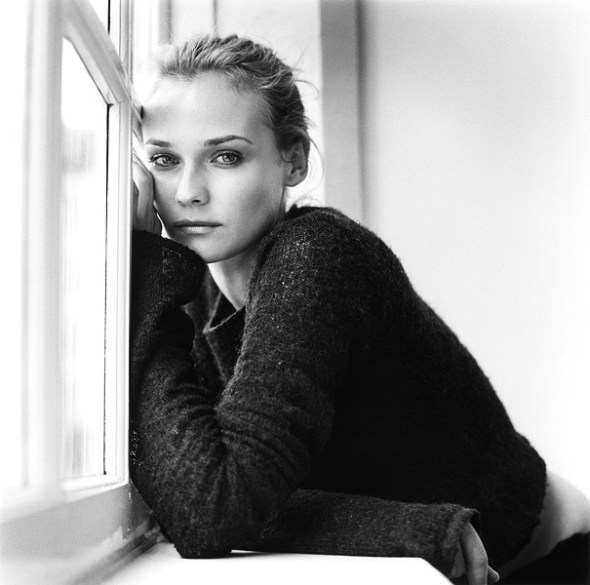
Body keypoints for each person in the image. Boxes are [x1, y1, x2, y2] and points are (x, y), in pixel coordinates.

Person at [130, 35, 590, 585]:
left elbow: (211, 509)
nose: (188, 191)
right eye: (164, 160)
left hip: (556, 560)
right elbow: (192, 493)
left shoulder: (318, 253)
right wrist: (412, 530)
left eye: (226, 156)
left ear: (294, 160)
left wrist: (144, 274)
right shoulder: (200, 294)